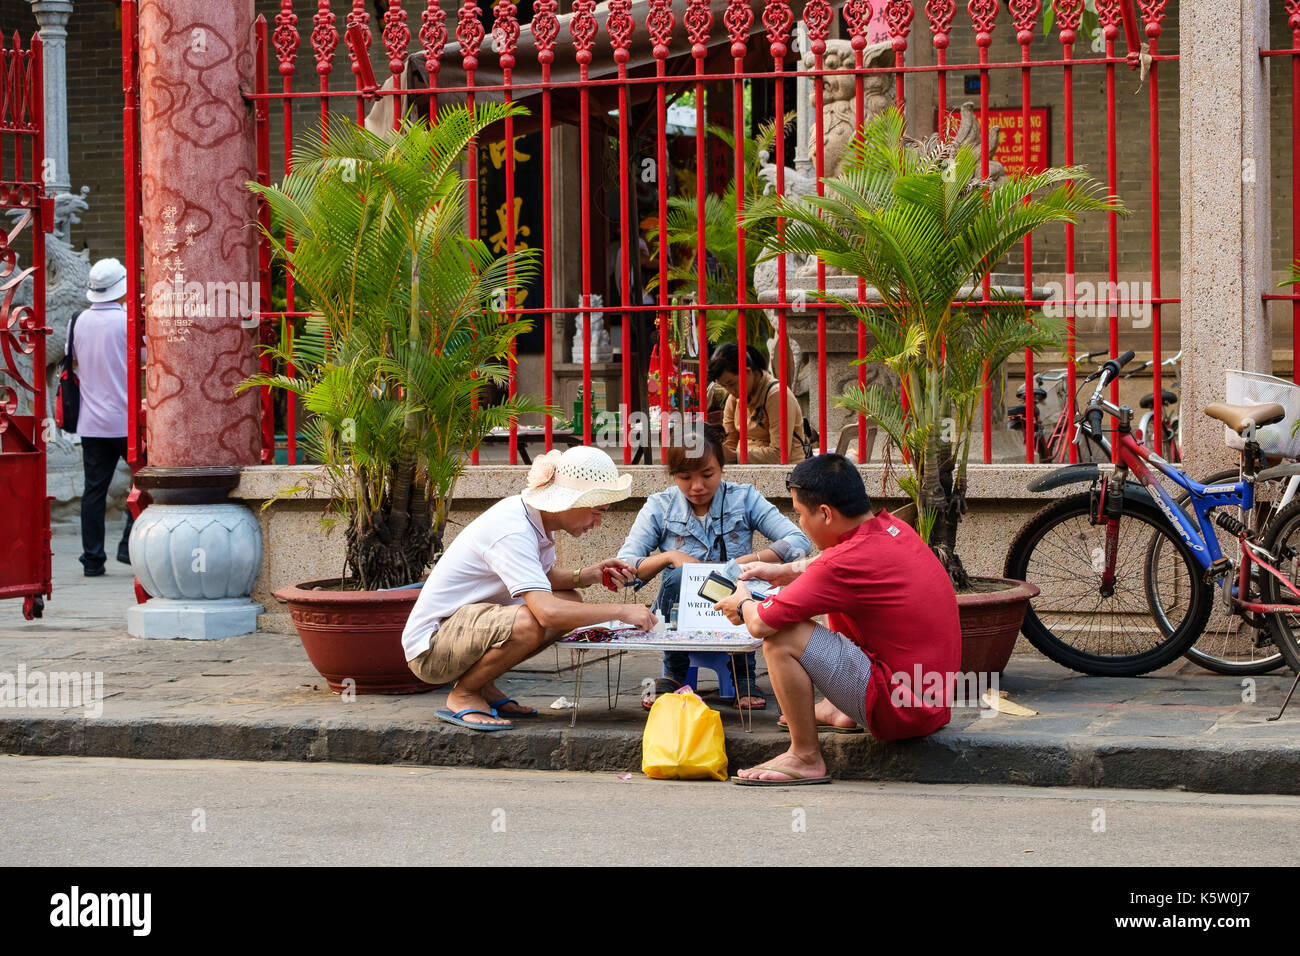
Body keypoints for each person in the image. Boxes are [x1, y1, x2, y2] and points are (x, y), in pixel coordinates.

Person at [715, 453, 961, 785]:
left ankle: (805, 757)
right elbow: (834, 563)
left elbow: (759, 624)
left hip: (900, 713)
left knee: (781, 636)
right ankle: (842, 709)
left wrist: (743, 601)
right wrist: (784, 571)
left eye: (800, 514)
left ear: (826, 514)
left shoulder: (840, 566)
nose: (800, 523)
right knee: (829, 600)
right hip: (931, 702)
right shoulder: (893, 528)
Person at [401, 446, 656, 731]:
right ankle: (464, 693)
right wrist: (621, 611)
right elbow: (546, 613)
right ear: (571, 501)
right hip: (432, 647)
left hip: (461, 630)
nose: (598, 523)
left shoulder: (534, 519)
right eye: (597, 512)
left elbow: (541, 578)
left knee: (569, 598)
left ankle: (482, 685)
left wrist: (588, 575)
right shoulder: (514, 529)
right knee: (531, 621)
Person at [617, 425, 810, 710]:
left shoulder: (745, 498)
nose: (697, 486)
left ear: (722, 468)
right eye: (685, 477)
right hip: (679, 612)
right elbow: (625, 567)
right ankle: (674, 672)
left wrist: (748, 561)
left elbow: (798, 542)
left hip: (737, 605)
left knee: (748, 582)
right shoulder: (658, 506)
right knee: (680, 576)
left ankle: (744, 672)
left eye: (708, 475)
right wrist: (669, 557)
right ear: (673, 475)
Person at [70, 258, 135, 577]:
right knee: (147, 484)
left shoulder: (77, 321)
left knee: (93, 491)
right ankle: (127, 545)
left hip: (91, 422)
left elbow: (74, 362)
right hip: (126, 421)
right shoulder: (127, 322)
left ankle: (92, 559)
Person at [709, 342, 809, 464]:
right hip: (744, 468)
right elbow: (730, 443)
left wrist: (736, 456)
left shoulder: (776, 395)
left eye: (731, 383)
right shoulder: (734, 399)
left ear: (748, 371)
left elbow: (779, 455)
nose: (730, 391)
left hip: (783, 472)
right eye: (724, 386)